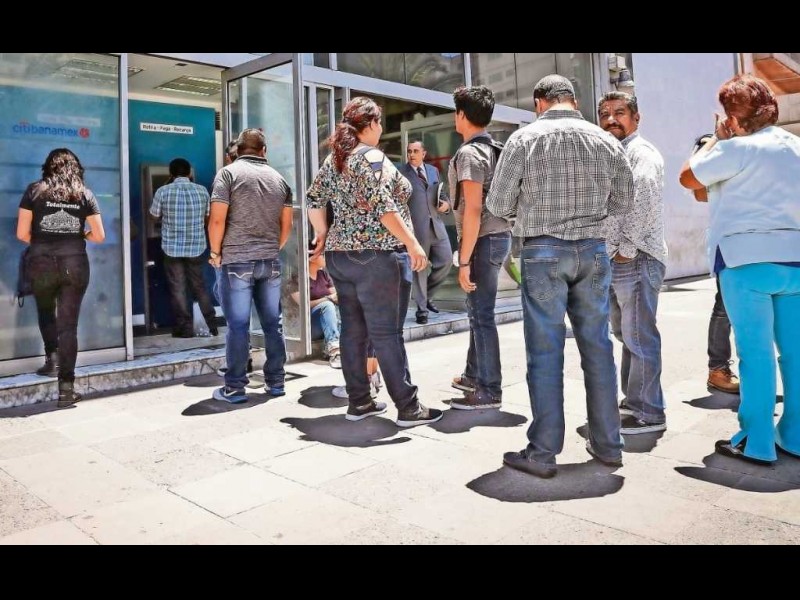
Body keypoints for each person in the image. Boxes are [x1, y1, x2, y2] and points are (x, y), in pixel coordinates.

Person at [487, 74, 634, 478]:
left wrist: (528, 213)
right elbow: (624, 200)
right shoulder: (605, 140)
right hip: (593, 249)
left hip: (543, 250)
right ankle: (609, 444)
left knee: (545, 352)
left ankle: (543, 452)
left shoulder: (524, 139)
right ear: (573, 100)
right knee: (598, 347)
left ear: (540, 102)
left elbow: (498, 203)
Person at [679, 74, 800, 465]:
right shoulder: (795, 147)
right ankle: (796, 436)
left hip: (745, 261)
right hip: (795, 260)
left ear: (732, 116)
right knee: (795, 354)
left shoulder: (735, 148)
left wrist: (715, 139)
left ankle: (757, 441)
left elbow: (687, 177)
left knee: (755, 354)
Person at [306, 96, 442, 427]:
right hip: (378, 255)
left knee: (353, 331)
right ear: (371, 124)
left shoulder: (336, 159)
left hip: (340, 257)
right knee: (386, 333)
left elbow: (313, 199)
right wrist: (413, 243)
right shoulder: (372, 157)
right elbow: (384, 207)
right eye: (380, 122)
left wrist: (322, 233)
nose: (382, 128)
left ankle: (360, 402)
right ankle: (408, 407)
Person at [598, 91, 668, 434]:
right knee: (627, 335)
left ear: (636, 118)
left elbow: (644, 201)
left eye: (620, 113)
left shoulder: (640, 153)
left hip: (636, 258)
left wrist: (625, 249)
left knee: (639, 337)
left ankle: (648, 411)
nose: (611, 119)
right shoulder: (615, 154)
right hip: (617, 260)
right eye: (605, 114)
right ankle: (635, 399)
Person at [16, 148, 106, 407]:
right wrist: (78, 236)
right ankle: (66, 390)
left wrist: (45, 244)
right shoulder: (84, 193)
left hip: (41, 262)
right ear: (75, 168)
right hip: (74, 262)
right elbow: (99, 235)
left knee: (46, 312)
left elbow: (22, 233)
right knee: (68, 327)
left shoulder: (35, 190)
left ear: (48, 167)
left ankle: (51, 359)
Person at [208, 128, 293, 403]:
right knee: (273, 324)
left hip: (236, 260)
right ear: (264, 150)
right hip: (269, 261)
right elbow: (287, 225)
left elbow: (217, 219)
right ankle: (276, 382)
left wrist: (215, 252)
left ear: (238, 149)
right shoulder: (279, 179)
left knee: (238, 326)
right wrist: (272, 249)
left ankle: (234, 387)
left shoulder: (228, 174)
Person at [447, 85, 512, 411]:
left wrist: (464, 260)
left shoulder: (470, 154)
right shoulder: (495, 149)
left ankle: (489, 388)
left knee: (481, 314)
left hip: (483, 239)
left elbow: (473, 209)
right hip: (499, 235)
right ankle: (473, 375)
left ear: (462, 115)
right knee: (478, 310)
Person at [691, 134, 741, 395]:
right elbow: (698, 191)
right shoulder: (713, 146)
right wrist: (714, 142)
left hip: (760, 243)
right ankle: (718, 369)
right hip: (729, 243)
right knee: (724, 307)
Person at [149, 157, 218, 338]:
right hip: (196, 247)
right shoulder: (202, 191)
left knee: (177, 288)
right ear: (189, 173)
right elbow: (208, 218)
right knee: (199, 286)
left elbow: (153, 216)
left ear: (171, 173)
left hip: (172, 248)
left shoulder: (163, 191)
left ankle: (185, 328)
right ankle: (212, 324)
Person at [399, 140, 452, 324]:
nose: (412, 154)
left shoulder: (433, 171)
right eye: (409, 151)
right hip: (415, 229)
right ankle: (422, 310)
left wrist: (446, 205)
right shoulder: (401, 173)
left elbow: (441, 194)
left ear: (423, 153)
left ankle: (427, 295)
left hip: (436, 225)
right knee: (419, 268)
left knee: (446, 261)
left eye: (415, 151)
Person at [290, 239, 341, 368]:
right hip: (307, 329)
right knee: (327, 306)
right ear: (312, 257)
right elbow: (304, 305)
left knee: (347, 308)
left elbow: (337, 296)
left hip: (327, 323)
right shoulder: (296, 279)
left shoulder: (323, 275)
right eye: (322, 254)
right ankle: (335, 351)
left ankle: (336, 346)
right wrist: (328, 299)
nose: (326, 257)